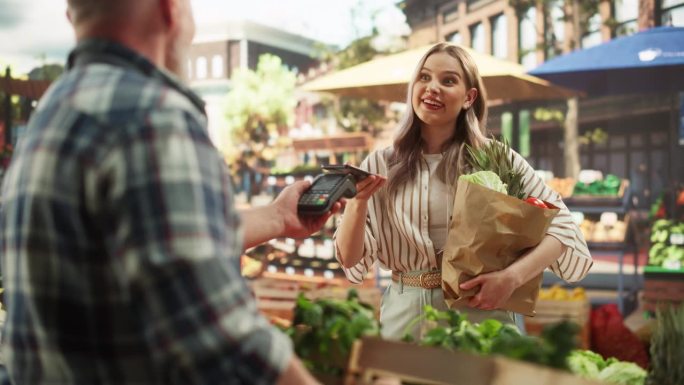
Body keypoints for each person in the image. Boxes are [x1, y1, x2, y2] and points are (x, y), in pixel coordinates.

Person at [0, 0, 339, 384]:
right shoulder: (151, 116)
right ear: (169, 10)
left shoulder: (51, 113)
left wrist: (277, 216)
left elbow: (150, 245)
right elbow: (221, 341)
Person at [334, 43, 592, 340]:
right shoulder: (380, 164)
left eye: (448, 81)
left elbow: (562, 227)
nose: (433, 88)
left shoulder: (497, 159)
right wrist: (358, 201)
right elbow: (351, 259)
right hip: (407, 319)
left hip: (484, 312)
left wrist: (512, 278)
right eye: (424, 77)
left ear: (469, 97)